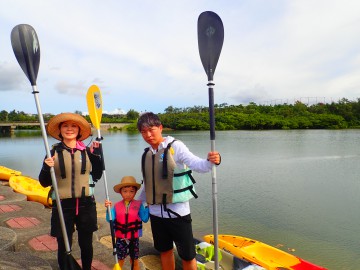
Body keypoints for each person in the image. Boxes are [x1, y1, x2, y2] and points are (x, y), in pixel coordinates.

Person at [137, 112, 221, 270]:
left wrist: (212, 161)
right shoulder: (146, 154)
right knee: (164, 250)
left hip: (178, 213)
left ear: (160, 128)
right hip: (156, 213)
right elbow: (148, 184)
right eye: (143, 132)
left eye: (151, 129)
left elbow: (199, 165)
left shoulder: (176, 146)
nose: (148, 135)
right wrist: (138, 204)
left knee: (187, 255)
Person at [38, 112, 103, 270]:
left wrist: (97, 157)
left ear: (79, 130)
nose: (69, 129)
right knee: (63, 244)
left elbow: (97, 175)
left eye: (73, 126)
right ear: (59, 130)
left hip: (86, 204)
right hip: (62, 205)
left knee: (86, 243)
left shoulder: (88, 151)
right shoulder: (52, 152)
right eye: (65, 126)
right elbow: (43, 182)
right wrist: (47, 167)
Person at [104, 176, 149, 270]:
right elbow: (109, 219)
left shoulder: (139, 205)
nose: (128, 194)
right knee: (119, 260)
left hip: (134, 239)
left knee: (135, 261)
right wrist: (108, 209)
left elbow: (145, 218)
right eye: (125, 191)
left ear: (135, 192)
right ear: (120, 192)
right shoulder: (116, 206)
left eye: (131, 191)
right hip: (121, 240)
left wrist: (149, 207)